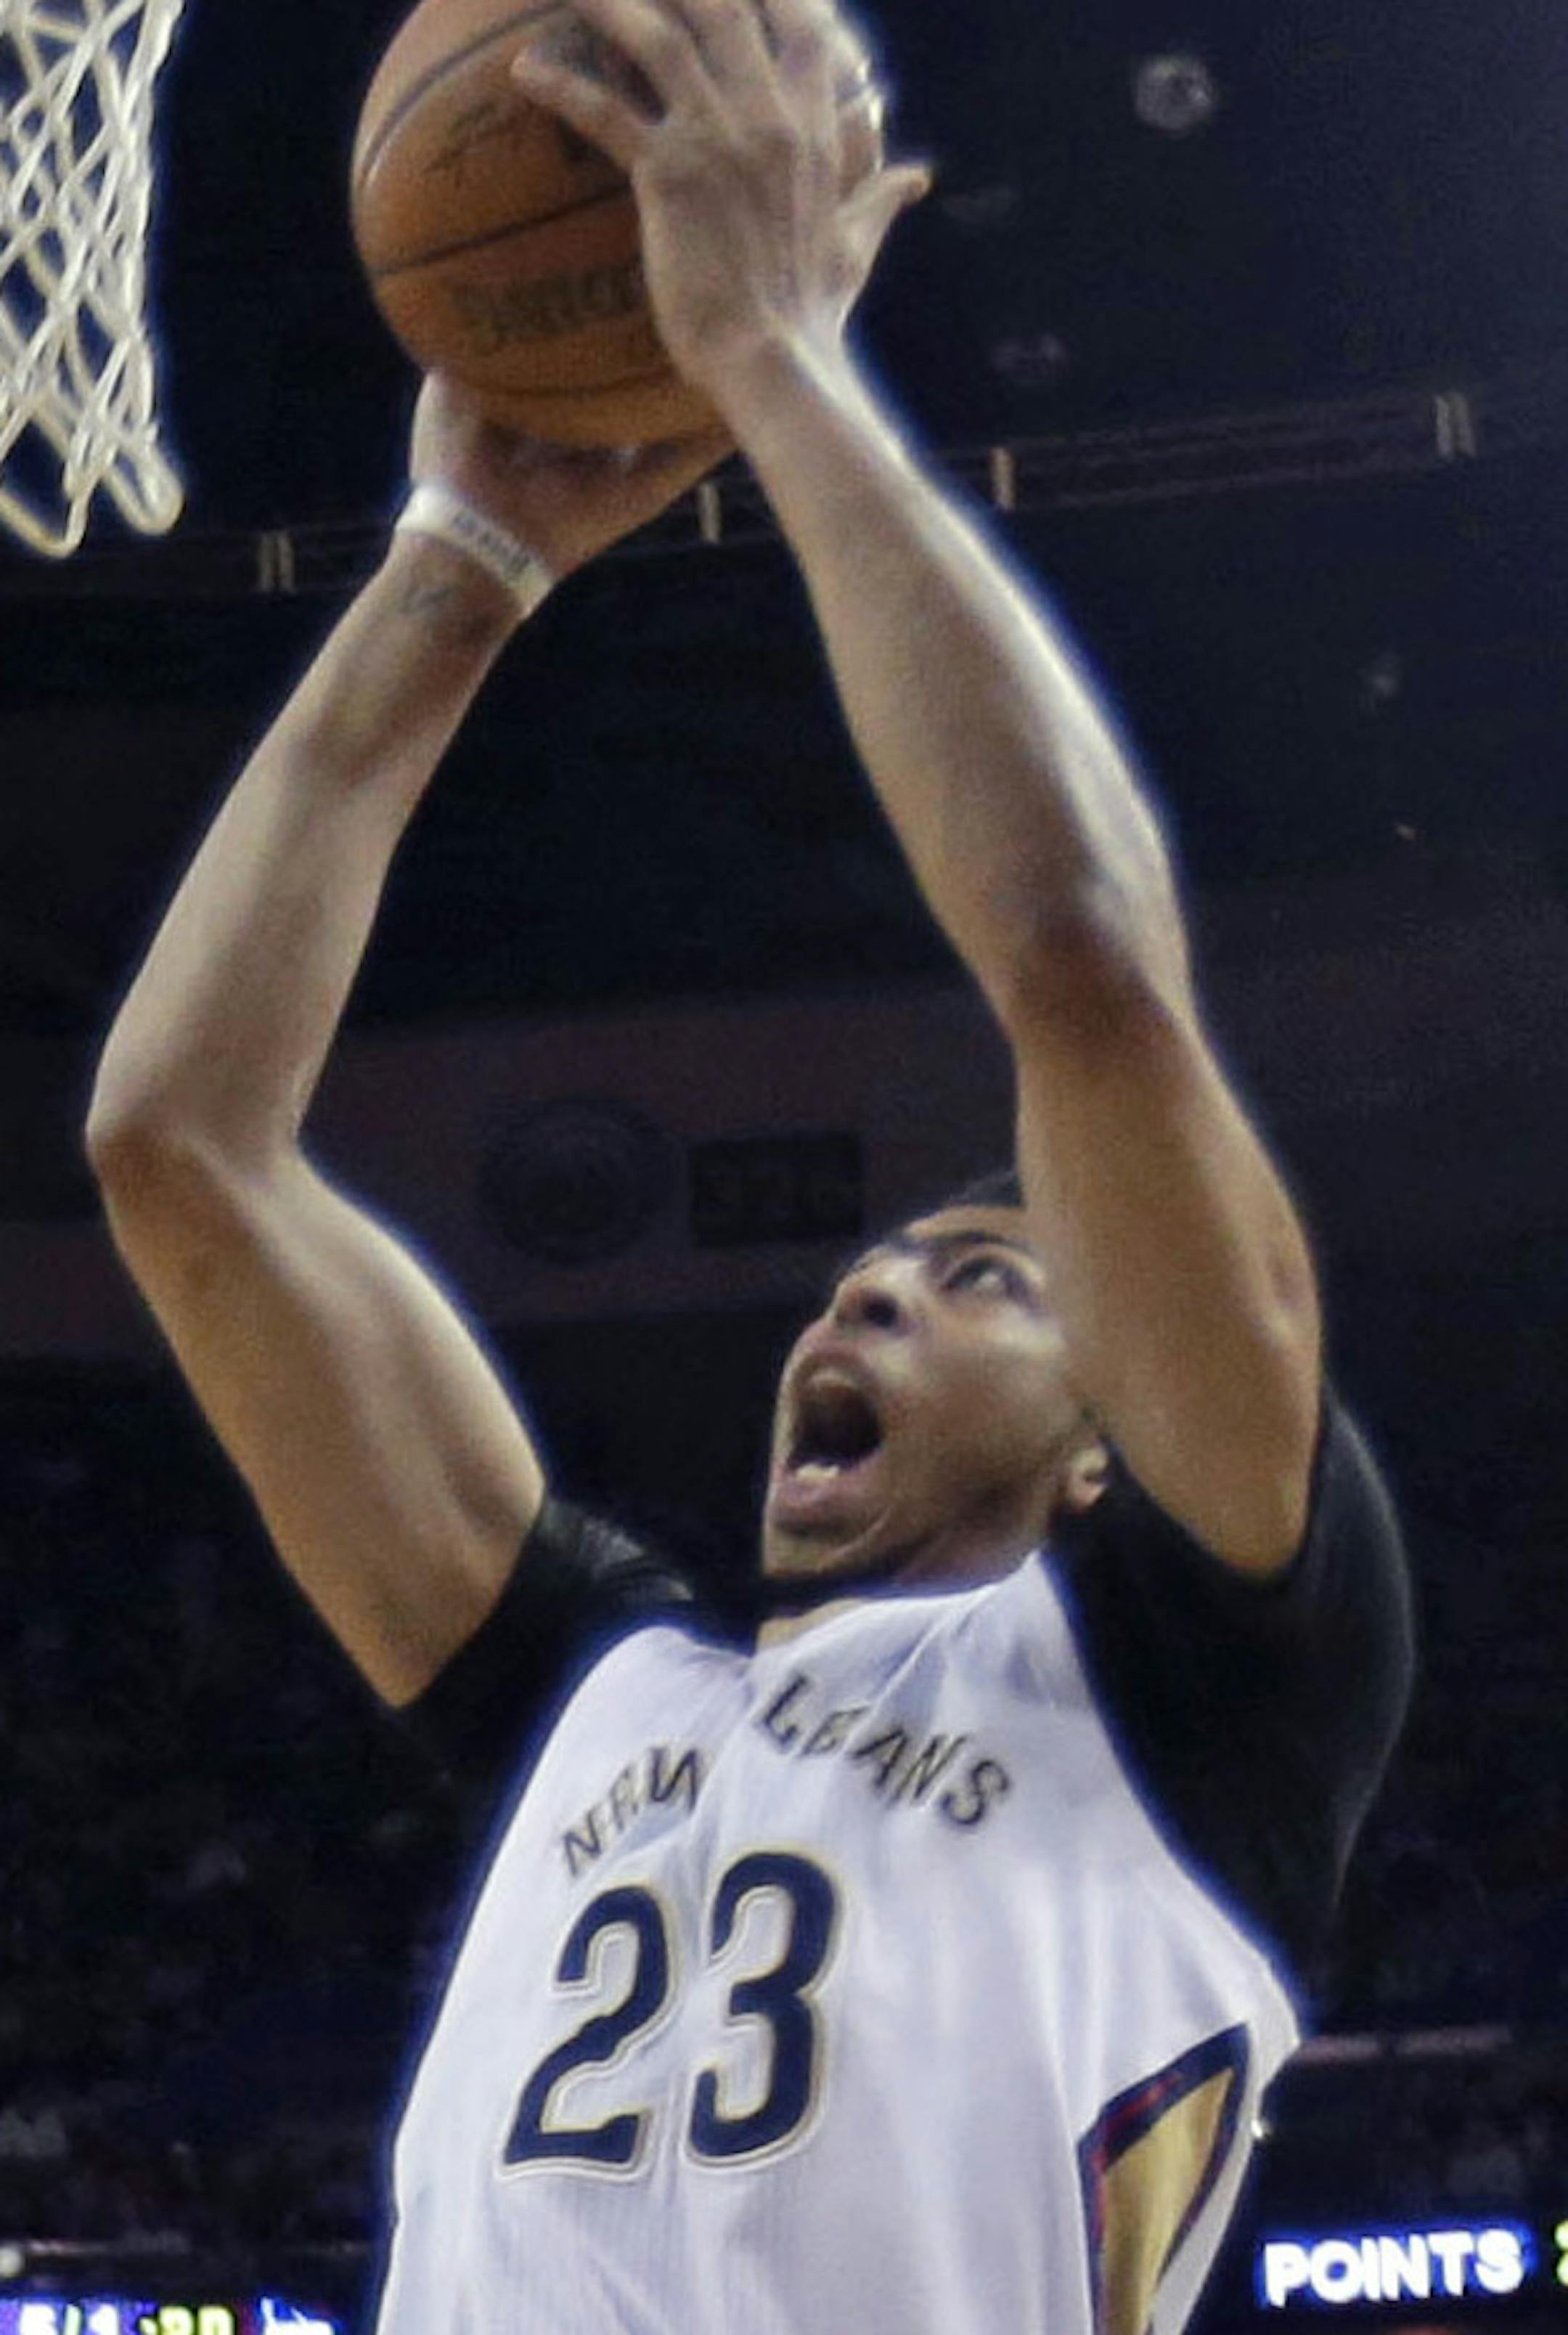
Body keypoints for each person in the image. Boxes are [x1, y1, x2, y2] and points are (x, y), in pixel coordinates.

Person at [86, 0, 1413, 2328]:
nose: (866, 1289)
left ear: (1113, 1445)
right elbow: (181, 1148)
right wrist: (455, 569)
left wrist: (779, 359)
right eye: (877, 1268)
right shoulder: (608, 1694)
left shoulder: (1211, 1692)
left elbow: (1085, 968)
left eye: (986, 1277)